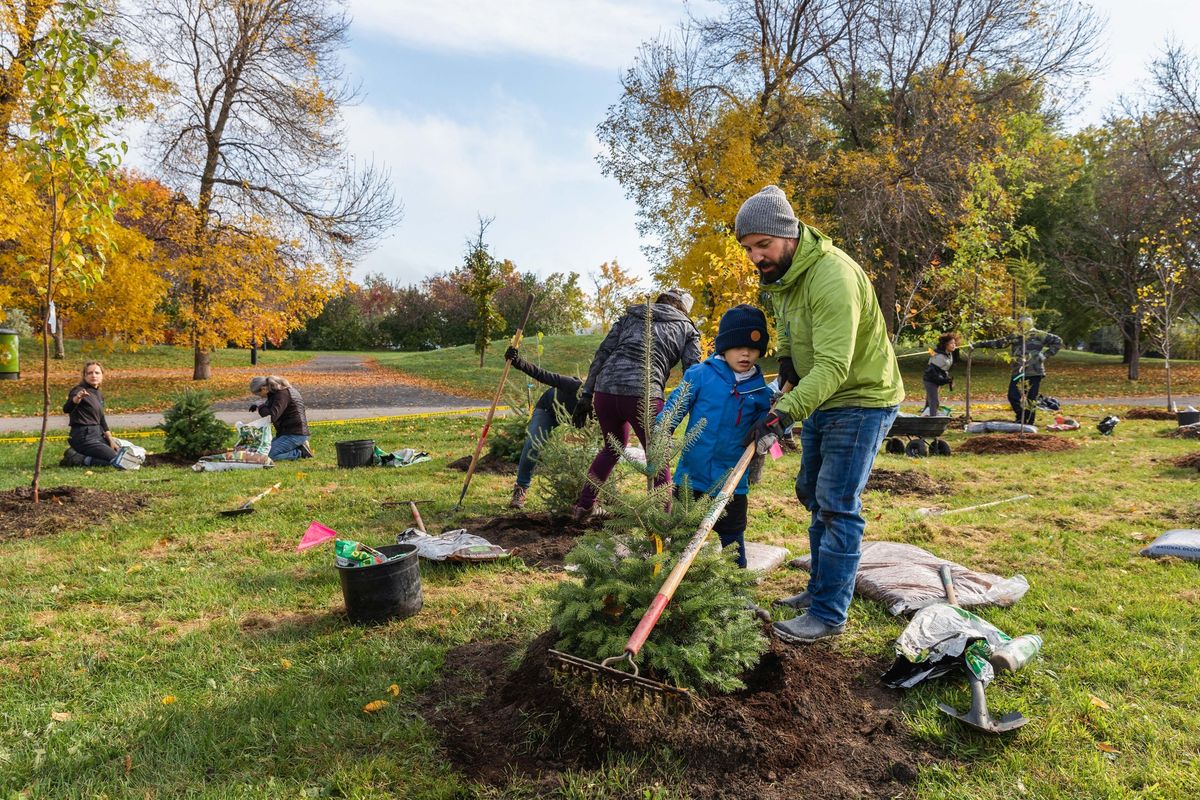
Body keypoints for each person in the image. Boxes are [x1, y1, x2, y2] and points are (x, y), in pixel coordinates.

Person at [735, 185, 904, 643]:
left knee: (836, 503)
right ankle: (818, 588)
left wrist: (782, 414)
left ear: (787, 235)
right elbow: (791, 329)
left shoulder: (832, 276)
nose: (755, 257)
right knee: (811, 491)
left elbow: (834, 364)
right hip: (823, 396)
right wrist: (787, 362)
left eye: (762, 245)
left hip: (862, 398)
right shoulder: (784, 277)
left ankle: (829, 613)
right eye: (748, 248)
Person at [571, 288, 702, 521]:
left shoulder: (631, 316)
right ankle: (661, 523)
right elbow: (693, 371)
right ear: (684, 309)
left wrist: (586, 394)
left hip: (606, 390)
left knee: (612, 448)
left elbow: (602, 353)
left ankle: (584, 507)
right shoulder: (687, 328)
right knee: (658, 456)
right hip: (645, 395)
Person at [659, 304, 773, 567]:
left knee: (733, 539)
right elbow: (673, 410)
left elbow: (771, 426)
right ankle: (679, 589)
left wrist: (771, 434)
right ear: (724, 346)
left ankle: (738, 595)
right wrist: (662, 433)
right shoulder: (700, 375)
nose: (746, 353)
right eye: (738, 346)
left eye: (754, 348)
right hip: (691, 478)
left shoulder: (760, 391)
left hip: (732, 481)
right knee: (682, 537)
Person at [502, 344, 583, 509]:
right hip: (548, 410)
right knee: (534, 443)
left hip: (569, 418)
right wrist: (516, 361)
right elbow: (543, 375)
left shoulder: (604, 404)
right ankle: (520, 488)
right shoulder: (573, 385)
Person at [971, 316, 1062, 425]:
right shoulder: (1015, 336)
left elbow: (1058, 341)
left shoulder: (1039, 335)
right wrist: (977, 344)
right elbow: (998, 343)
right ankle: (1021, 417)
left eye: (1024, 324)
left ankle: (1028, 422)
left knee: (1031, 398)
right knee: (1013, 395)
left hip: (1035, 371)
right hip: (1019, 371)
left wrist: (1045, 355)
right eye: (1020, 325)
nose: (1022, 327)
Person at [61, 361, 128, 468]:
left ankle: (83, 455)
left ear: (102, 375)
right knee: (118, 460)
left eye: (97, 373)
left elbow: (101, 420)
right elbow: (67, 408)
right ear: (84, 376)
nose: (93, 375)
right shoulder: (78, 390)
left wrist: (110, 440)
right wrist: (77, 398)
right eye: (90, 373)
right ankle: (78, 458)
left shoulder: (98, 394)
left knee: (124, 455)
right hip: (83, 436)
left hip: (98, 434)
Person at [249, 375, 313, 461]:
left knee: (267, 455)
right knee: (262, 451)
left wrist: (260, 406)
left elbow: (271, 417)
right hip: (287, 433)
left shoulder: (282, 394)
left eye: (258, 394)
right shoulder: (278, 393)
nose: (260, 397)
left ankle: (300, 452)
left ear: (263, 388)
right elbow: (270, 407)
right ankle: (298, 446)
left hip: (295, 434)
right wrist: (257, 405)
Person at [920, 332, 959, 416]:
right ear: (945, 344)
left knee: (929, 402)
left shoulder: (948, 354)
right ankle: (933, 420)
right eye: (951, 343)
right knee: (934, 401)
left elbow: (943, 369)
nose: (954, 345)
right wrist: (944, 380)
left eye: (954, 343)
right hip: (930, 380)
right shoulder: (939, 357)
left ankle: (924, 417)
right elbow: (933, 373)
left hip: (936, 380)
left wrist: (947, 379)